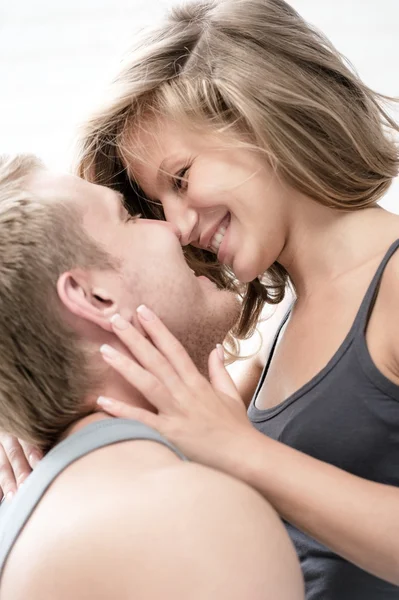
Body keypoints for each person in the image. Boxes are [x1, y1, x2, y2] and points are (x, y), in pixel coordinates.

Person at [1, 0, 399, 597]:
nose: (179, 225)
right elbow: (155, 411)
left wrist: (247, 455)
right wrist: (32, 415)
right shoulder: (271, 344)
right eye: (158, 204)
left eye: (181, 178)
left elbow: (230, 446)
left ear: (263, 117)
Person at [0, 154, 304, 600]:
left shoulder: (34, 518)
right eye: (127, 218)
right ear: (98, 298)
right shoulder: (188, 515)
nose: (172, 227)